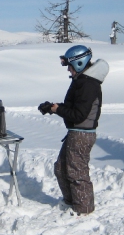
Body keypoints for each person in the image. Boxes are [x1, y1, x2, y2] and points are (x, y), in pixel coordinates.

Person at [38, 46, 109, 216]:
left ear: (79, 63)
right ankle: (72, 203)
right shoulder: (82, 81)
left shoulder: (88, 84)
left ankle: (83, 211)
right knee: (61, 168)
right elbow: (74, 108)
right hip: (76, 132)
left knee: (76, 172)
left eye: (69, 65)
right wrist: (52, 107)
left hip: (82, 134)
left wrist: (57, 110)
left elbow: (79, 114)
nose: (68, 69)